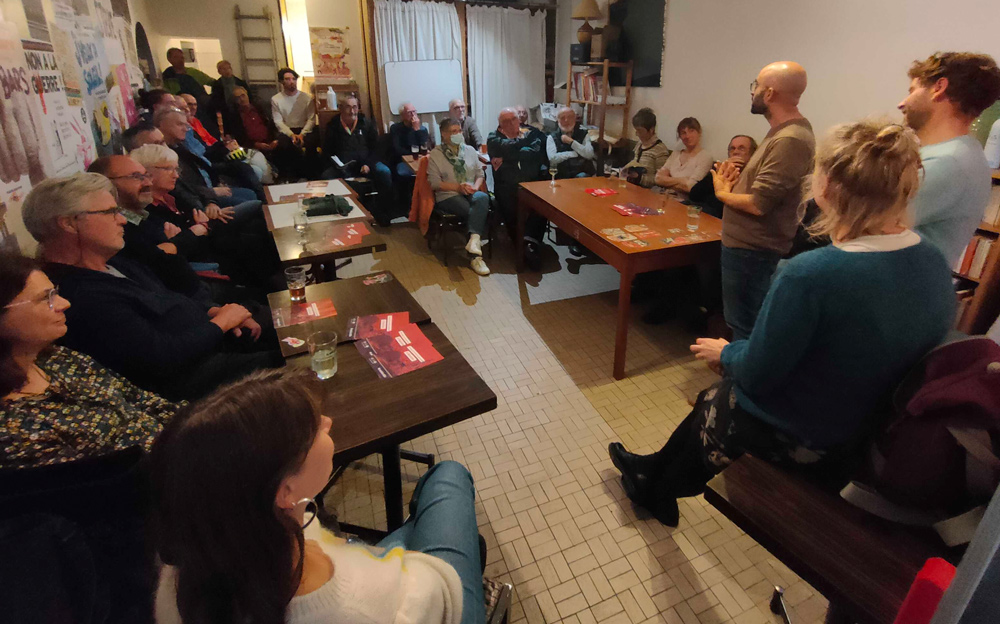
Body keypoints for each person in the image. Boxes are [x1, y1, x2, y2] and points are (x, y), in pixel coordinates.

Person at [609, 120, 956, 526]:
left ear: (825, 187)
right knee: (713, 398)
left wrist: (726, 352)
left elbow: (758, 372)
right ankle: (653, 475)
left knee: (721, 400)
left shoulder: (812, 273)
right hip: (866, 425)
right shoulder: (933, 259)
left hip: (810, 433)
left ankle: (657, 488)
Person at [150, 368, 485, 624]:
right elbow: (444, 595)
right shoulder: (352, 601)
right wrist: (406, 562)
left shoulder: (184, 575)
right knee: (447, 477)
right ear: (285, 491)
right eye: (314, 430)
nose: (327, 422)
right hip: (428, 598)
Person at [21, 173, 281, 401]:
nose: (122, 220)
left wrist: (212, 313)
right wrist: (220, 323)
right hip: (203, 383)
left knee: (294, 317)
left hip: (216, 341)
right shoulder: (79, 295)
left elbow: (173, 294)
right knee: (305, 348)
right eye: (109, 212)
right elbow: (160, 359)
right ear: (67, 223)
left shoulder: (115, 260)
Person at [0, 255, 179, 470]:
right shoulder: (13, 427)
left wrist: (202, 425)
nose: (64, 303)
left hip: (183, 446)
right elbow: (101, 490)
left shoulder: (58, 358)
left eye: (55, 293)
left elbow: (144, 400)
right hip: (167, 483)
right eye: (44, 298)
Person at [711, 61, 815, 340]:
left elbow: (759, 203)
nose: (752, 92)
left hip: (754, 253)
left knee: (746, 328)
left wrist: (722, 192)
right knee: (739, 324)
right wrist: (732, 182)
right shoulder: (779, 134)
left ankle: (739, 383)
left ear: (769, 94)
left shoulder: (791, 139)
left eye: (755, 86)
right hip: (745, 250)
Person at [898, 52, 1000, 267]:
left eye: (912, 90)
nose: (902, 103)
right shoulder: (961, 155)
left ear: (939, 87)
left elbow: (865, 225)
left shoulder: (948, 162)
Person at [427, 118, 491, 276]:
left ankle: (473, 242)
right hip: (448, 195)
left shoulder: (469, 150)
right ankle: (475, 257)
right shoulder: (436, 154)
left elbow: (479, 174)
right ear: (443, 134)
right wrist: (457, 187)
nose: (458, 134)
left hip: (470, 191)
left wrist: (475, 187)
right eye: (453, 131)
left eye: (459, 131)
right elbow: (435, 183)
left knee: (483, 198)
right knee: (472, 211)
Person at [320, 95, 395, 225]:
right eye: (348, 107)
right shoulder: (333, 126)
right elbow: (328, 151)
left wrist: (368, 164)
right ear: (341, 109)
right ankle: (337, 215)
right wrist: (338, 165)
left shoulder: (365, 123)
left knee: (385, 172)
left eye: (355, 107)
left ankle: (384, 213)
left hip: (365, 164)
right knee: (326, 176)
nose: (352, 111)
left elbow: (376, 149)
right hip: (343, 166)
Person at [487, 108, 547, 268]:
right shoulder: (493, 137)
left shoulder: (530, 132)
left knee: (542, 206)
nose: (512, 123)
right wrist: (520, 146)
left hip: (531, 184)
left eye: (514, 119)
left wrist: (507, 155)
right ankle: (523, 246)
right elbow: (497, 147)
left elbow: (534, 153)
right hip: (506, 186)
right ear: (500, 125)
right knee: (511, 207)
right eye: (506, 121)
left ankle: (530, 243)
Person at [688, 135, 758, 218]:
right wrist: (720, 173)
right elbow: (694, 195)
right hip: (703, 214)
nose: (735, 152)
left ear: (753, 154)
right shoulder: (719, 168)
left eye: (741, 148)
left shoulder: (756, 175)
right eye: (732, 148)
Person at [271, 68, 319, 180]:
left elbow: (311, 119)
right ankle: (290, 177)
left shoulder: (306, 98)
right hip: (288, 130)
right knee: (283, 145)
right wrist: (291, 134)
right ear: (282, 82)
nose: (291, 81)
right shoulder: (276, 99)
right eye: (288, 79)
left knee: (311, 144)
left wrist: (302, 134)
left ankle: (311, 176)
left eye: (293, 79)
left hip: (305, 129)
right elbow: (278, 121)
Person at [654, 117, 713, 195]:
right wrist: (683, 180)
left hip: (684, 203)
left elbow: (691, 187)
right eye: (683, 133)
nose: (687, 136)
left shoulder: (705, 157)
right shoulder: (676, 154)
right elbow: (658, 179)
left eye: (691, 131)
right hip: (663, 196)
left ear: (699, 132)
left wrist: (666, 181)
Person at [622, 107, 670, 188]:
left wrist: (639, 177)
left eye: (640, 131)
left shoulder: (660, 150)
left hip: (648, 193)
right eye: (636, 130)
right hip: (634, 189)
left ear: (651, 130)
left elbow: (661, 180)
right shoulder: (639, 145)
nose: (637, 134)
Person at [546, 107, 595, 179]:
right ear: (558, 120)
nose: (566, 120)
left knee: (582, 176)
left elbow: (589, 154)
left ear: (575, 119)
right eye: (562, 118)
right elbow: (553, 158)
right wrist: (573, 154)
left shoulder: (584, 134)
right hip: (561, 176)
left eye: (570, 117)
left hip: (582, 174)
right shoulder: (552, 137)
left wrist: (572, 142)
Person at [389, 102, 432, 179]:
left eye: (414, 111)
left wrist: (417, 130)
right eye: (409, 112)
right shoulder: (395, 128)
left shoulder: (422, 129)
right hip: (402, 160)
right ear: (402, 116)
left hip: (420, 159)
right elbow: (397, 149)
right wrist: (413, 154)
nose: (413, 115)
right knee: (403, 172)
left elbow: (425, 147)